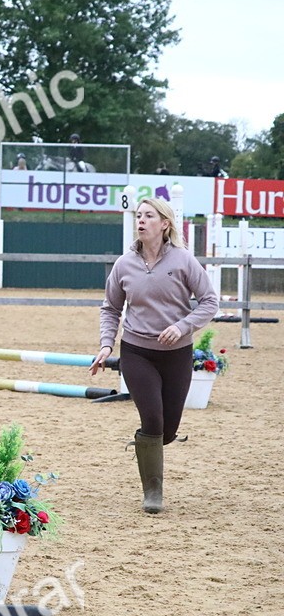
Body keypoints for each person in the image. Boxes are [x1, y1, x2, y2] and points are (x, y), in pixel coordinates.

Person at [90, 197, 217, 514]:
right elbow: (111, 309)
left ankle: (147, 447)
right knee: (153, 419)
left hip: (177, 355)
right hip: (136, 352)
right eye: (138, 216)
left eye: (149, 216)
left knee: (168, 430)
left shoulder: (184, 261)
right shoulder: (124, 265)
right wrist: (107, 344)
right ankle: (153, 493)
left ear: (165, 224)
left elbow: (209, 302)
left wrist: (184, 325)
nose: (141, 221)